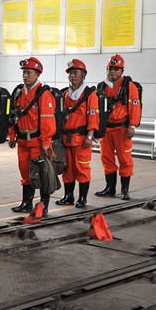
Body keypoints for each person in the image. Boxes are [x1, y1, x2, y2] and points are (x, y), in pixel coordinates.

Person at [8, 57, 56, 215]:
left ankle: (43, 205)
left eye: (28, 72)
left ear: (37, 74)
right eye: (24, 72)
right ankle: (26, 203)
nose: (25, 75)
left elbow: (47, 121)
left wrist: (46, 142)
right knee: (25, 173)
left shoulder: (44, 94)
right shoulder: (19, 93)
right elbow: (13, 116)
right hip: (23, 141)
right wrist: (12, 135)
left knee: (42, 174)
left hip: (38, 142)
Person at [95, 54, 141, 200]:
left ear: (122, 70)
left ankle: (124, 190)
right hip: (106, 130)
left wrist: (132, 125)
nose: (112, 72)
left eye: (116, 69)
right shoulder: (101, 86)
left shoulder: (129, 86)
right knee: (106, 158)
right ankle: (110, 188)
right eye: (110, 69)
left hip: (122, 129)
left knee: (125, 159)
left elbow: (135, 107)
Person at [55, 59, 99, 208]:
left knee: (82, 169)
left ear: (83, 75)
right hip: (67, 139)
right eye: (70, 73)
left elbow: (93, 117)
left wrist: (89, 136)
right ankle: (68, 197)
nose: (72, 76)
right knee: (67, 169)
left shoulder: (89, 95)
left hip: (82, 140)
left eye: (75, 73)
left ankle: (82, 198)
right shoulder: (66, 95)